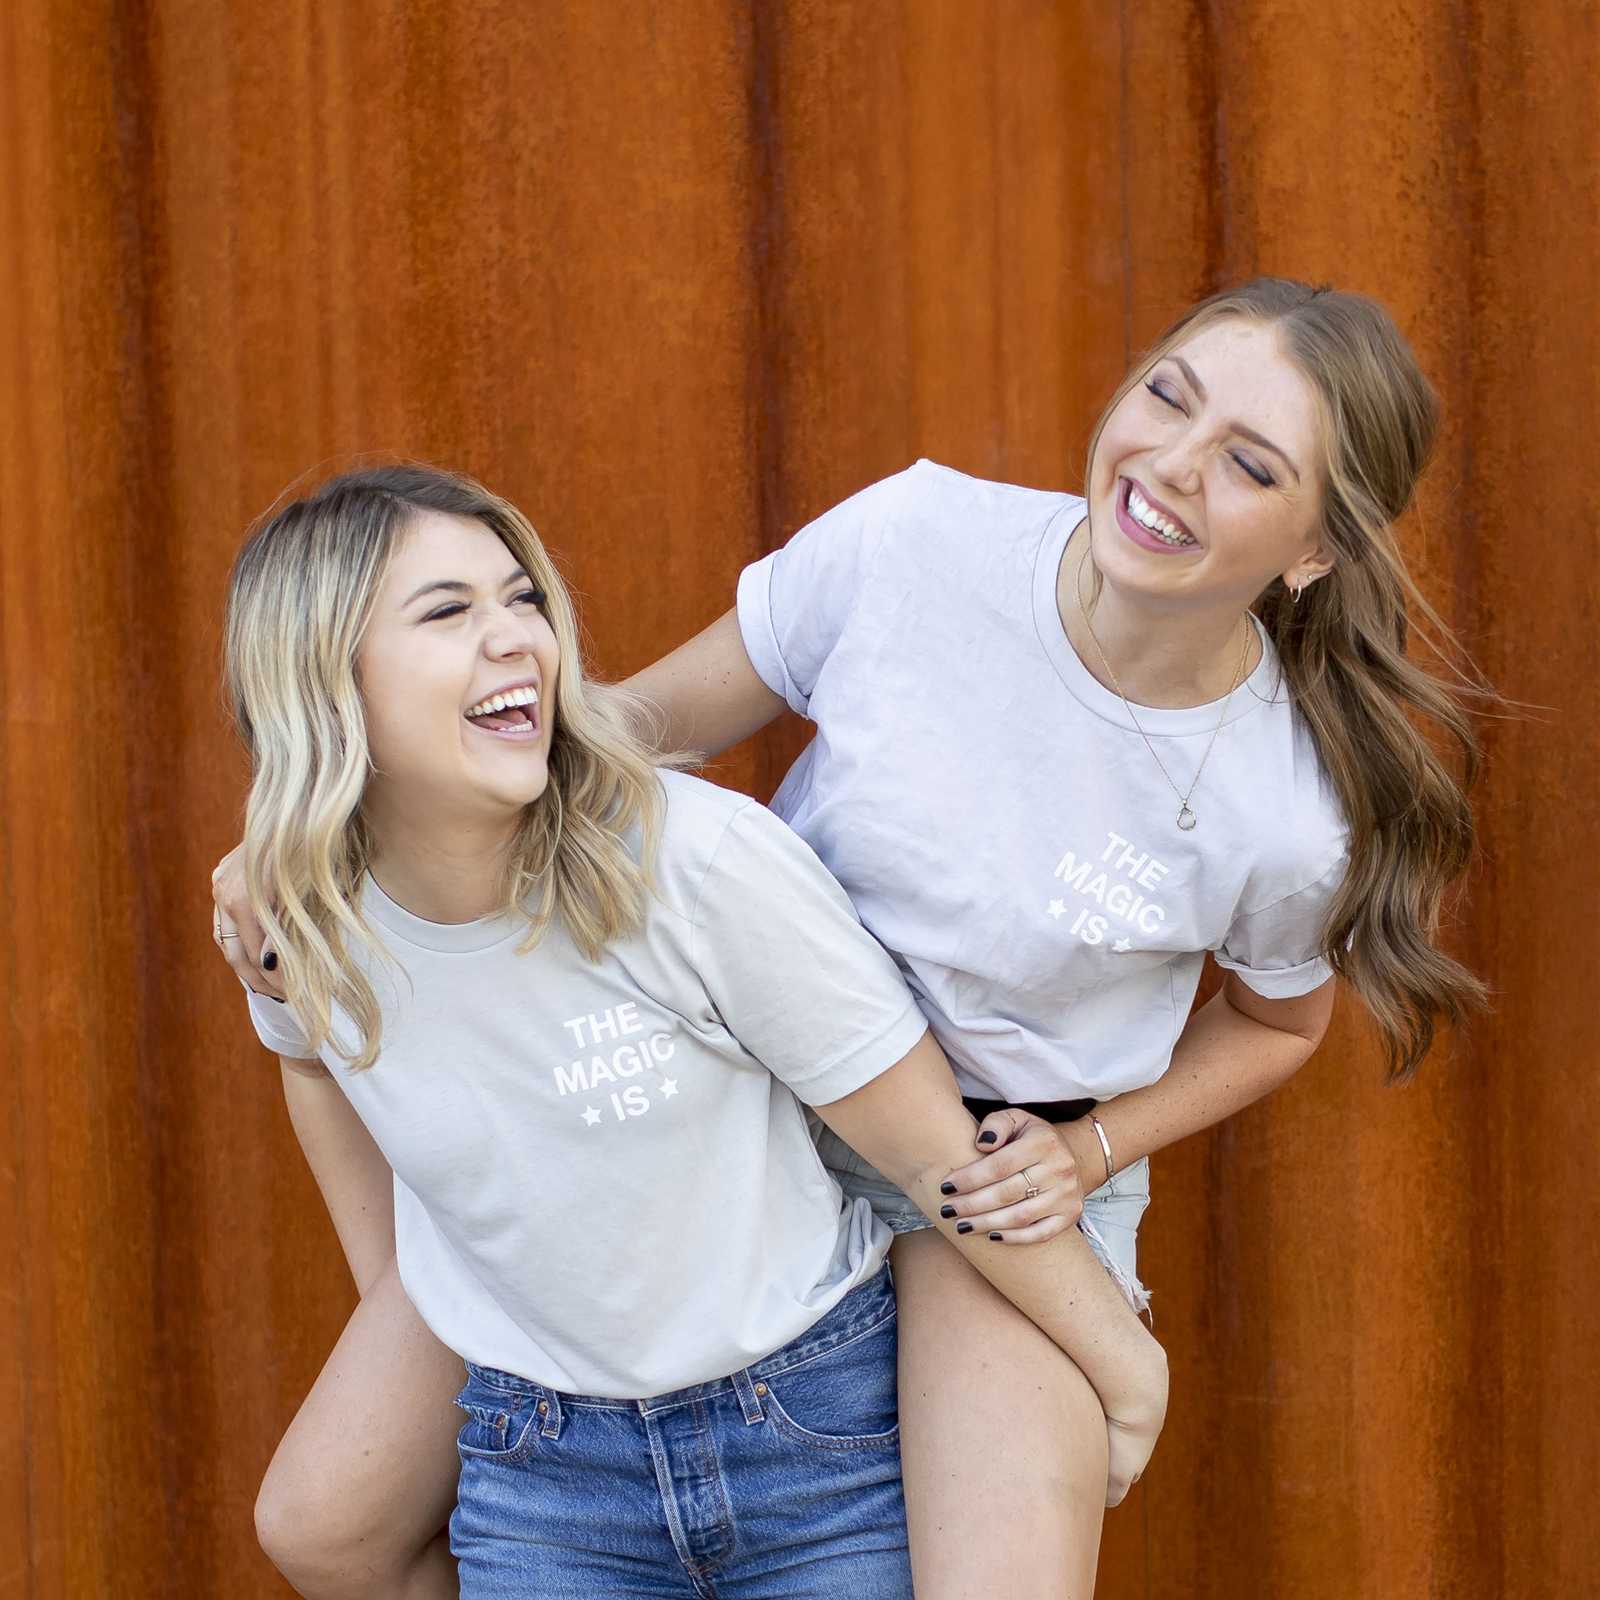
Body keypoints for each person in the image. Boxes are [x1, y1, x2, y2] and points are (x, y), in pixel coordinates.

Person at [215, 277, 1486, 1597]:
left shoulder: (1281, 806)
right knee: (322, 1514)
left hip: (996, 1154)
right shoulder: (917, 544)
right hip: (754, 1086)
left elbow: (1280, 1026)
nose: (1171, 465)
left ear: (1313, 550)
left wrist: (1093, 1148)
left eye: (1250, 465)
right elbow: (636, 731)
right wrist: (344, 822)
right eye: (1167, 393)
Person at [219, 461, 1167, 1600]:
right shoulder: (296, 917)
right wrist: (428, 1291)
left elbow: (930, 1152)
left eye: (522, 598)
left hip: (810, 1441)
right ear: (325, 683)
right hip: (546, 1476)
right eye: (447, 611)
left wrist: (1129, 1370)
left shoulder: (693, 862)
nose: (516, 636)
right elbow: (317, 1063)